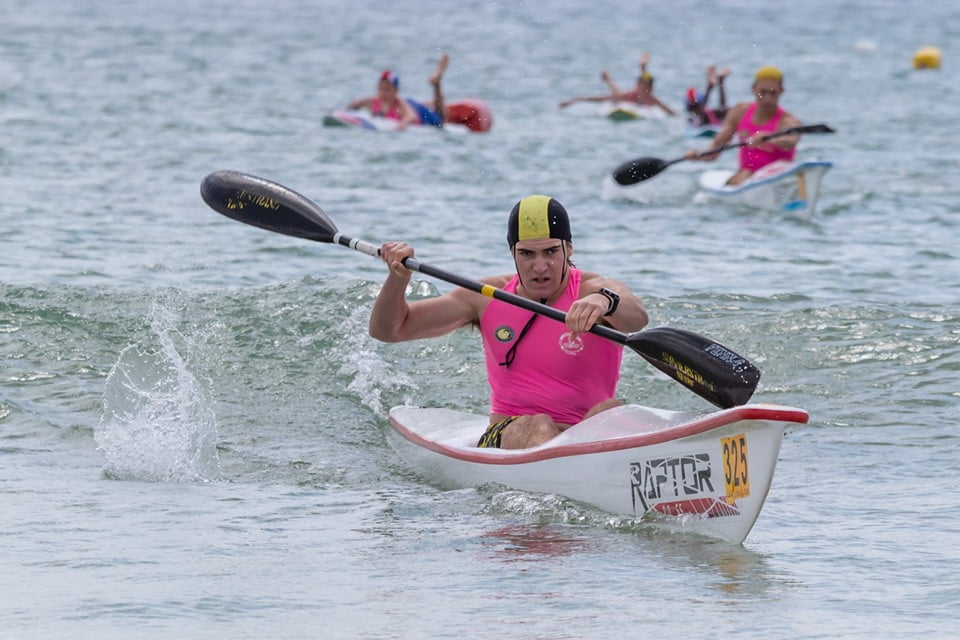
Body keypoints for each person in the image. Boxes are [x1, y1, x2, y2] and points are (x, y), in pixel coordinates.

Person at [369, 196, 649, 450]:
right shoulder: (485, 297)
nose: (540, 266)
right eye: (527, 254)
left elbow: (636, 317)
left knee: (613, 411)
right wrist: (398, 279)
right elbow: (390, 330)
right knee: (539, 425)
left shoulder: (593, 289)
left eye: (551, 252)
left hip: (585, 433)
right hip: (507, 434)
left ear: (569, 249)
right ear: (512, 252)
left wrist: (604, 301)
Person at [685, 65, 801, 185]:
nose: (767, 99)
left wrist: (770, 139)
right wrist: (698, 155)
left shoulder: (788, 120)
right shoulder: (740, 112)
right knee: (745, 174)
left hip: (779, 177)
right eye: (762, 92)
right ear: (753, 89)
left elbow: (792, 140)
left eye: (773, 93)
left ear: (781, 91)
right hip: (747, 176)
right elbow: (716, 149)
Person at [346, 52, 449, 130]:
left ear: (396, 91)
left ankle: (436, 85)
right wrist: (348, 111)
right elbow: (355, 104)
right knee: (423, 104)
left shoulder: (399, 103)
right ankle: (432, 102)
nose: (383, 93)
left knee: (440, 120)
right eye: (381, 89)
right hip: (410, 104)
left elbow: (411, 116)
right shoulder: (374, 101)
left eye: (387, 90)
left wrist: (402, 125)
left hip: (420, 113)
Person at [558, 52, 676, 116]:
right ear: (638, 85)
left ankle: (609, 80)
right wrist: (574, 100)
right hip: (623, 102)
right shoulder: (632, 94)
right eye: (641, 86)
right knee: (617, 96)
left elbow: (670, 113)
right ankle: (609, 80)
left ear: (650, 88)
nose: (643, 89)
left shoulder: (651, 98)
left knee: (619, 95)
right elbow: (600, 98)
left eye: (646, 87)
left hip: (638, 107)